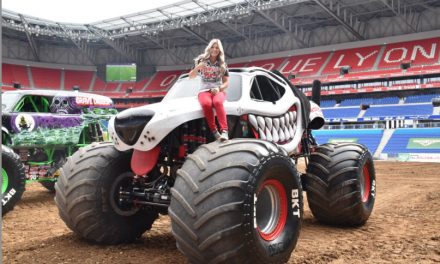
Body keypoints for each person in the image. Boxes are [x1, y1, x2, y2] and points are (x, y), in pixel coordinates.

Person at [189, 39, 229, 141]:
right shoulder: (201, 60)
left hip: (218, 91)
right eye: (213, 47)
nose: (214, 49)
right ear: (209, 48)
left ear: (220, 50)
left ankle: (225, 131)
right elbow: (191, 77)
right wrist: (198, 67)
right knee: (206, 104)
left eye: (217, 48)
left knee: (217, 102)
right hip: (203, 91)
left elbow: (226, 83)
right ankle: (214, 131)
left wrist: (218, 88)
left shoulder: (222, 64)